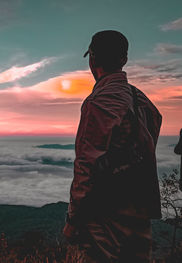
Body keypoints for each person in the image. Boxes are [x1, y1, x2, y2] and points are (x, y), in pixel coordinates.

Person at [63, 30, 162, 262]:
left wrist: (73, 220)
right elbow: (155, 124)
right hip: (139, 211)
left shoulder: (100, 101)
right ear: (124, 60)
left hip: (106, 215)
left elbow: (86, 165)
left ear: (92, 59)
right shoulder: (139, 98)